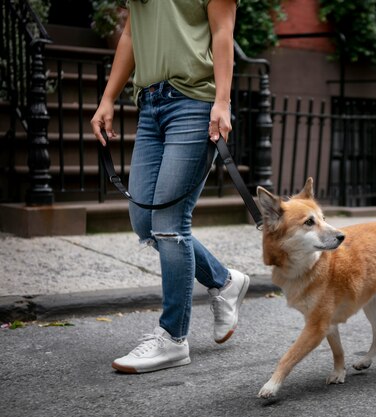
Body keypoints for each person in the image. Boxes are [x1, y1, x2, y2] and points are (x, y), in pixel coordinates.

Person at [90, 0, 249, 374]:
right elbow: (131, 34)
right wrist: (108, 98)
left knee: (169, 223)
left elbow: (223, 31)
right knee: (144, 220)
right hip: (151, 104)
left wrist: (222, 102)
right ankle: (223, 281)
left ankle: (173, 337)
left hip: (195, 103)